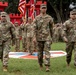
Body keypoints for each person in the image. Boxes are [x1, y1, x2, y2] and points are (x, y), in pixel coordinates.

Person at [33, 4, 54, 71]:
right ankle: (40, 64)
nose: (44, 9)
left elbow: (51, 28)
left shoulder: (49, 18)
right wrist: (34, 37)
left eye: (45, 8)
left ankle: (47, 66)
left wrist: (52, 37)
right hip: (39, 38)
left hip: (47, 37)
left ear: (46, 9)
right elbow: (34, 28)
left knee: (47, 52)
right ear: (40, 9)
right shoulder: (37, 18)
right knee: (40, 53)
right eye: (42, 8)